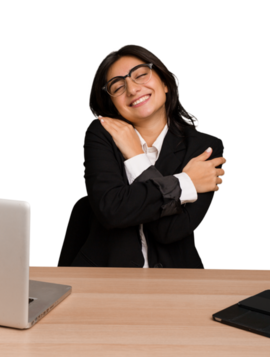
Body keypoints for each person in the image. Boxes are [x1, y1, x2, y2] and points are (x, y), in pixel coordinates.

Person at [71, 43, 226, 268]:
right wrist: (184, 182)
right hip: (104, 276)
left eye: (141, 75)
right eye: (117, 86)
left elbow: (169, 230)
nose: (133, 89)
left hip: (177, 280)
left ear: (165, 83)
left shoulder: (206, 146)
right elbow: (111, 210)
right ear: (111, 103)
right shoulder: (101, 134)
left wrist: (135, 157)